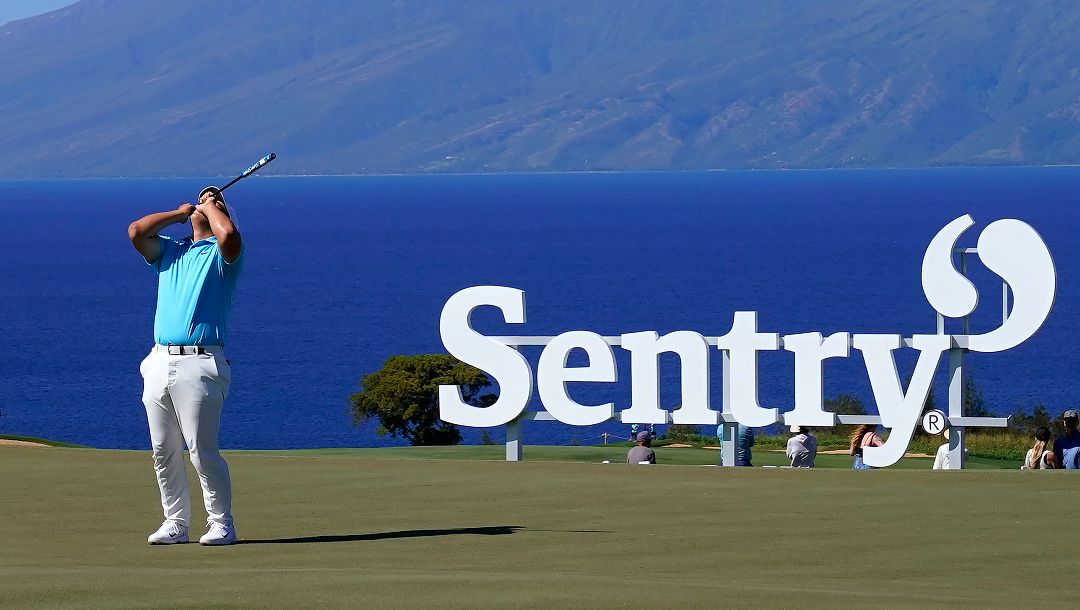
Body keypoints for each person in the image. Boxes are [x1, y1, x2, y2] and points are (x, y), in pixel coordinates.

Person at [128, 186, 244, 546]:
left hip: (201, 361)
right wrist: (180, 213)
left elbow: (229, 235)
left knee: (200, 450)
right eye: (204, 199)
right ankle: (175, 523)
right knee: (163, 450)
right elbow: (136, 231)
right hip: (160, 360)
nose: (206, 201)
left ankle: (222, 523)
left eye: (216, 201)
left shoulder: (224, 257)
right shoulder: (171, 251)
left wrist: (211, 207)